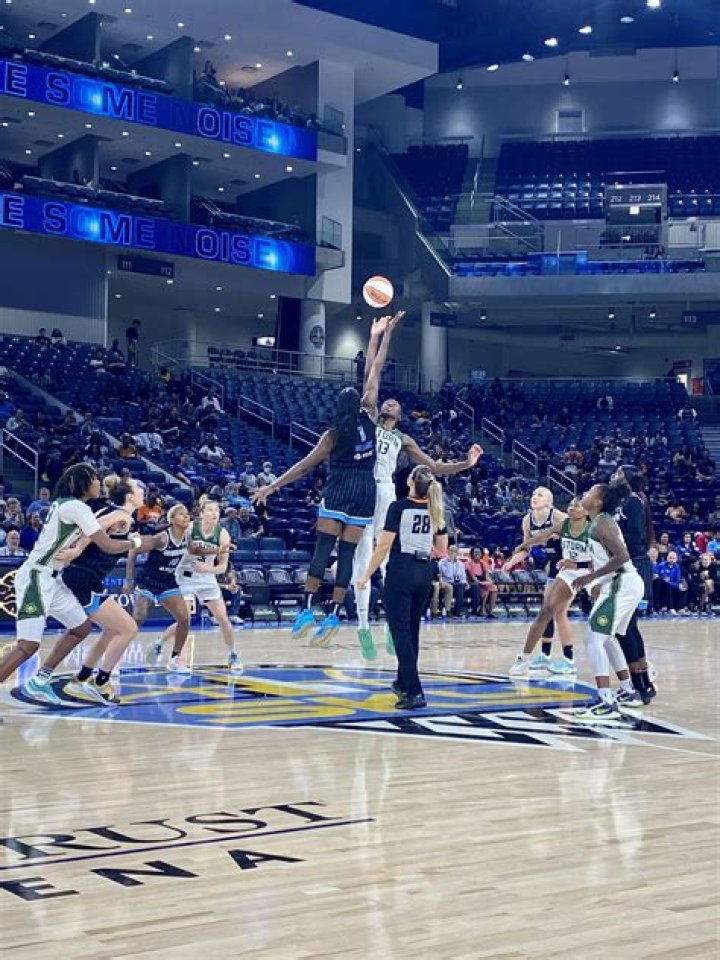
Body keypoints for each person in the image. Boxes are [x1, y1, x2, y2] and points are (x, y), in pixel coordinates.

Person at [252, 314, 402, 645]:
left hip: (339, 489)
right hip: (365, 492)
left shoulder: (333, 434)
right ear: (361, 404)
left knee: (323, 550)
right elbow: (374, 369)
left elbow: (304, 467)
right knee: (348, 555)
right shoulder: (371, 416)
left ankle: (308, 608)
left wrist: (272, 486)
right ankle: (335, 613)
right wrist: (383, 335)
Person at [351, 371, 481, 656]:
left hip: (384, 490)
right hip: (361, 487)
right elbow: (370, 379)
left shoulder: (404, 439)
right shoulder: (369, 422)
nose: (390, 403)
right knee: (361, 559)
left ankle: (389, 626)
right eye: (388, 401)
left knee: (385, 562)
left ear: (400, 415)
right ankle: (363, 628)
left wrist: (466, 464)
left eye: (396, 403)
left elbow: (434, 467)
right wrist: (378, 339)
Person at [0, 463, 142, 705]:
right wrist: (136, 543)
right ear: (84, 482)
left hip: (54, 580)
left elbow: (91, 533)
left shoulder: (69, 505)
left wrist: (76, 549)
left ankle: (39, 682)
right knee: (28, 646)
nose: (99, 483)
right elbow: (107, 545)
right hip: (37, 576)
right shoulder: (76, 507)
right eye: (95, 479)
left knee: (81, 628)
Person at [357, 465, 448, 710]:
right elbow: (442, 550)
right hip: (424, 572)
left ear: (410, 482)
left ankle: (414, 690)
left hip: (402, 570)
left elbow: (383, 546)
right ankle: (402, 680)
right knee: (412, 630)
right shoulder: (436, 509)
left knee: (400, 633)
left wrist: (366, 575)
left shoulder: (398, 507)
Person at [569, 483, 645, 722]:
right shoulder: (596, 522)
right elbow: (602, 559)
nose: (584, 494)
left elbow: (622, 556)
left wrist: (591, 578)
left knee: (593, 638)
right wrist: (590, 577)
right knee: (607, 638)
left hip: (622, 582)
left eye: (589, 492)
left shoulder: (603, 521)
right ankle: (629, 691)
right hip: (621, 584)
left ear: (599, 501)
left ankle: (606, 701)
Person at [152, 497, 242, 674]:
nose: (214, 514)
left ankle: (233, 655)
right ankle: (177, 658)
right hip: (184, 576)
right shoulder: (191, 528)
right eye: (210, 510)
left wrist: (208, 568)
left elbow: (223, 567)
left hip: (206, 578)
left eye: (217, 511)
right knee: (184, 620)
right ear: (201, 514)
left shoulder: (223, 534)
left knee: (223, 619)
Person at [506, 496, 592, 678]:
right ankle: (527, 657)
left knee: (608, 624)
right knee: (548, 610)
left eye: (576, 505)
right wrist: (522, 546)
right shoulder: (564, 524)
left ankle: (637, 665)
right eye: (569, 504)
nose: (571, 508)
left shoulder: (595, 529)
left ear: (586, 510)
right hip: (567, 571)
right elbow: (541, 537)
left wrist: (577, 565)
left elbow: (604, 560)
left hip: (592, 572)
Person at [504, 487, 567, 674]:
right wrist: (512, 562)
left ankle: (567, 659)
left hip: (571, 564)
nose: (534, 497)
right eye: (532, 494)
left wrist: (562, 536)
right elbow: (527, 547)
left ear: (549, 501)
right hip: (554, 565)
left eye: (539, 495)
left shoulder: (558, 517)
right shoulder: (527, 520)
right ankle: (546, 656)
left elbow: (579, 534)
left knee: (554, 611)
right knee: (547, 609)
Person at [127, 503, 194, 673]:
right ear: (172, 520)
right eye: (181, 514)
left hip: (167, 581)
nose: (186, 516)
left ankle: (174, 659)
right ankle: (112, 660)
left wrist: (220, 550)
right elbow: (133, 550)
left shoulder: (188, 538)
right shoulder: (162, 538)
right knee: (138, 619)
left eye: (187, 514)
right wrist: (128, 580)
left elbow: (197, 550)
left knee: (184, 619)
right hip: (148, 580)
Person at [610, 465, 656, 703]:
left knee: (625, 628)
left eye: (618, 473)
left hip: (633, 564)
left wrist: (615, 551)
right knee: (628, 628)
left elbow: (636, 536)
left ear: (627, 479)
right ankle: (643, 684)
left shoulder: (633, 502)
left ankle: (639, 686)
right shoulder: (619, 501)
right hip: (624, 564)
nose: (613, 475)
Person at [464, 547, 498, 617]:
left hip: (482, 583)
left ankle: (490, 611)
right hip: (472, 584)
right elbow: (472, 578)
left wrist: (490, 582)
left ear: (482, 554)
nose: (477, 554)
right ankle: (482, 609)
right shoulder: (468, 563)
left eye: (479, 552)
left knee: (494, 587)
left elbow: (487, 577)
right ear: (472, 554)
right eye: (475, 552)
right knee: (487, 587)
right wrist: (483, 583)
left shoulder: (483, 564)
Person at [438, 545, 469, 617]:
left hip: (457, 583)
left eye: (455, 551)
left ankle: (458, 610)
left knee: (461, 585)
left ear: (457, 553)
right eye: (451, 550)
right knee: (454, 586)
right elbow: (447, 574)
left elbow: (463, 576)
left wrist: (465, 582)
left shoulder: (460, 563)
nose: (452, 552)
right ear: (447, 551)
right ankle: (448, 610)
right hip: (446, 583)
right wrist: (450, 561)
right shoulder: (442, 562)